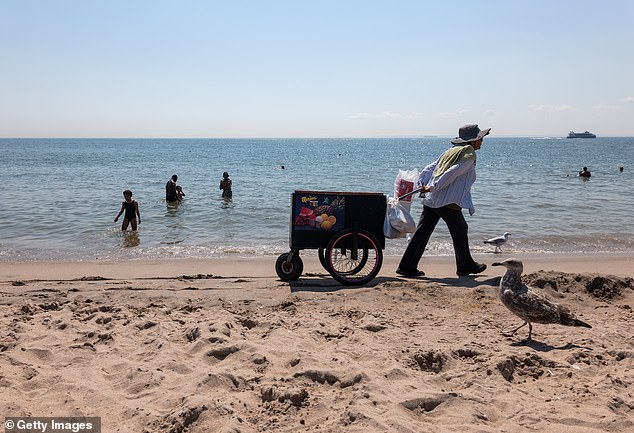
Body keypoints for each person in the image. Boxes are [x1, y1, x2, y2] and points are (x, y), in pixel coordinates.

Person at [396, 124, 490, 278]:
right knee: (460, 229)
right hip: (447, 201)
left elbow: (430, 168)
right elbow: (451, 173)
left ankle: (407, 266)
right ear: (473, 141)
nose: (482, 142)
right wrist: (433, 186)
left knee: (422, 232)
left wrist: (423, 184)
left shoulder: (450, 151)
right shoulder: (468, 154)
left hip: (432, 200)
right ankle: (465, 266)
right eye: (480, 139)